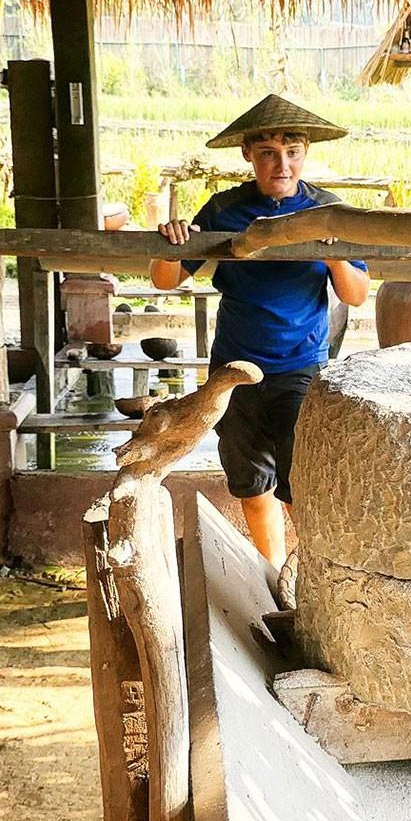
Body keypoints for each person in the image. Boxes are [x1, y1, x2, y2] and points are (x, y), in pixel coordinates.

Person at [153, 95, 369, 567]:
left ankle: (314, 576)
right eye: (269, 153)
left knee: (300, 484)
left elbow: (355, 294)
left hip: (302, 364)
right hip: (233, 369)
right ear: (248, 154)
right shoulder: (224, 210)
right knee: (252, 484)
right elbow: (165, 280)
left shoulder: (328, 210)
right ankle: (272, 578)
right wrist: (171, 244)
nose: (282, 164)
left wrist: (332, 253)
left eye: (292, 152)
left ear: (306, 152)